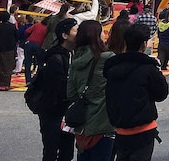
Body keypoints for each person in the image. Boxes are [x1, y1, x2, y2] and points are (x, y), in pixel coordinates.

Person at [104, 23, 169, 161]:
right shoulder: (148, 69)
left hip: (120, 128)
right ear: (144, 44)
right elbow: (161, 94)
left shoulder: (113, 68)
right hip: (144, 129)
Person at [68, 20, 115, 161]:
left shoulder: (75, 59)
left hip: (82, 125)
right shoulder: (107, 58)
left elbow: (70, 93)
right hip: (103, 123)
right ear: (96, 36)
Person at [36, 18, 79, 161]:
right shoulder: (56, 58)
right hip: (53, 111)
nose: (79, 33)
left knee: (66, 152)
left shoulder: (74, 54)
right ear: (64, 35)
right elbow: (56, 88)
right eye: (75, 30)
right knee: (51, 150)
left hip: (66, 111)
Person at [0, 10, 18, 91]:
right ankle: (6, 84)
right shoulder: (12, 27)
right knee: (8, 67)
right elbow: (17, 37)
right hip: (9, 49)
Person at [23, 16, 48, 84]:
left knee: (28, 63)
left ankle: (28, 80)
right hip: (39, 45)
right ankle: (38, 79)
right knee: (40, 63)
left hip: (29, 43)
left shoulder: (37, 25)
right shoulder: (47, 29)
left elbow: (27, 31)